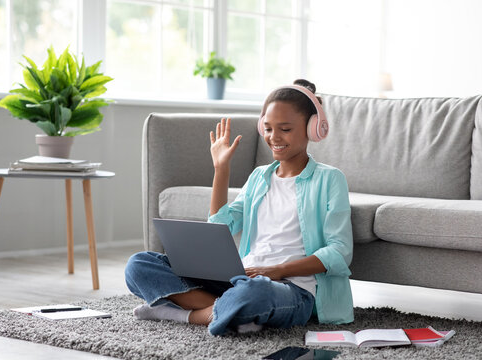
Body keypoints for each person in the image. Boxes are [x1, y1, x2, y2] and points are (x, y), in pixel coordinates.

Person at [124, 79, 354, 336]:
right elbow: (221, 226)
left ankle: (179, 313)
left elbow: (339, 252)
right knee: (139, 263)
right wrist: (221, 170)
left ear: (313, 129)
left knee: (255, 293)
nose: (274, 137)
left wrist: (275, 271)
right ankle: (227, 312)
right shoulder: (259, 177)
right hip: (241, 278)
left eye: (285, 129)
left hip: (291, 290)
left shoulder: (330, 179)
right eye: (267, 128)